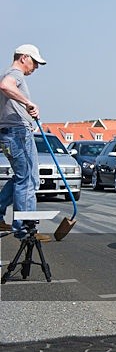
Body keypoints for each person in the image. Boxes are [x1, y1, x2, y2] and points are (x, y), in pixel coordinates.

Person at [0, 44, 50, 241]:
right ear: (23, 58)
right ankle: (25, 229)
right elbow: (5, 86)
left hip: (8, 133)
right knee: (28, 179)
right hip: (17, 133)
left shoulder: (7, 72)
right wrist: (28, 103)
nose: (36, 67)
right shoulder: (15, 74)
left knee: (22, 177)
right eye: (34, 62)